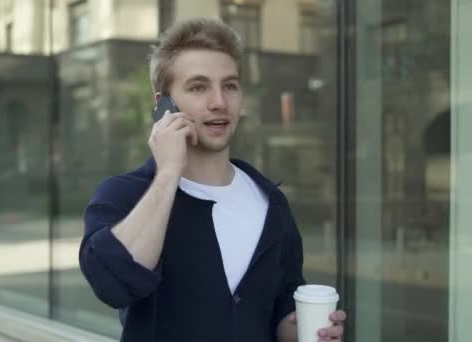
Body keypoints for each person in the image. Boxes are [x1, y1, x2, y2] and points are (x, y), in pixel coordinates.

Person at [79, 17, 346, 342]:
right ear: (163, 104)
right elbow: (114, 284)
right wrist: (167, 173)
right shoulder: (125, 193)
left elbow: (280, 306)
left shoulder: (271, 201)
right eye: (198, 87)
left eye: (230, 85)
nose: (219, 101)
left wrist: (302, 329)